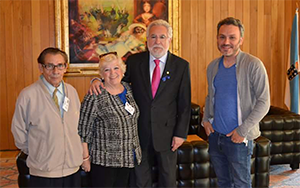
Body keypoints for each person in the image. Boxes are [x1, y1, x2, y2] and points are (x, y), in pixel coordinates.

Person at [90, 19, 191, 188]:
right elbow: (117, 81)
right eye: (153, 37)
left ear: (169, 40)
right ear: (147, 40)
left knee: (168, 179)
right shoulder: (135, 61)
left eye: (162, 37)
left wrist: (180, 134)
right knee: (139, 180)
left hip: (167, 134)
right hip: (137, 133)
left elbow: (184, 103)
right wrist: (96, 80)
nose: (157, 41)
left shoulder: (181, 66)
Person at [202, 17, 270, 188]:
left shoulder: (253, 65)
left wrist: (242, 131)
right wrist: (205, 120)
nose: (226, 42)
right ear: (217, 38)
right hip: (216, 137)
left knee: (241, 184)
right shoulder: (212, 67)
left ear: (241, 39)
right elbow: (210, 97)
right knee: (223, 183)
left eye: (232, 37)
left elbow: (264, 102)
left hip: (239, 139)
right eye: (222, 37)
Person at [11, 47, 83, 188]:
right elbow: (18, 131)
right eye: (49, 66)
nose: (55, 71)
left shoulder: (72, 92)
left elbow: (78, 126)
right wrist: (39, 152)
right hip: (44, 171)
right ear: (41, 67)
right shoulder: (28, 95)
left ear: (65, 67)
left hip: (72, 168)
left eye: (60, 66)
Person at [78, 52, 142, 188]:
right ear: (101, 74)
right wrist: (85, 158)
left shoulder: (129, 89)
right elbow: (83, 130)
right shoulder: (94, 95)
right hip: (105, 162)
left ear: (122, 70)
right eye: (107, 70)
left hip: (129, 158)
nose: (112, 73)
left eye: (116, 68)